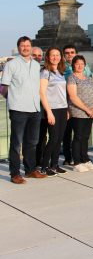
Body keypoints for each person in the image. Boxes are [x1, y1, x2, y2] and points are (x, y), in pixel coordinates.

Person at [1, 36, 45, 184]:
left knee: (32, 142)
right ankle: (14, 174)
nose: (25, 48)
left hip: (34, 108)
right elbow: (3, 88)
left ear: (31, 47)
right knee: (16, 143)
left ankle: (30, 170)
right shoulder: (11, 65)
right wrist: (14, 99)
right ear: (18, 47)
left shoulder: (36, 65)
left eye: (28, 45)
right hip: (18, 109)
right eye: (22, 45)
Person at [38, 47, 68, 176]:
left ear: (61, 57)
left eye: (57, 55)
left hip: (63, 108)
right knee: (53, 138)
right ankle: (44, 167)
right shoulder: (45, 72)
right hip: (53, 109)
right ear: (48, 57)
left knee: (59, 138)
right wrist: (49, 112)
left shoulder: (61, 72)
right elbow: (42, 93)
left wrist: (66, 109)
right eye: (52, 55)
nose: (55, 57)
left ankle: (54, 165)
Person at [67, 55, 93, 172]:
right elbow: (73, 97)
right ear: (73, 65)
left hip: (91, 112)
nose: (80, 66)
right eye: (77, 63)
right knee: (78, 136)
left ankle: (85, 159)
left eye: (82, 63)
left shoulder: (89, 78)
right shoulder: (72, 78)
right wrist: (87, 109)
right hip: (79, 112)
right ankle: (76, 162)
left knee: (85, 137)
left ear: (85, 65)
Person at [61, 44, 92, 166]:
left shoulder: (85, 68)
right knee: (67, 133)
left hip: (82, 106)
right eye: (67, 53)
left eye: (72, 52)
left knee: (81, 134)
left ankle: (83, 156)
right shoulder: (61, 67)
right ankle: (69, 158)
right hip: (66, 104)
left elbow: (89, 83)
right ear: (64, 55)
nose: (69, 54)